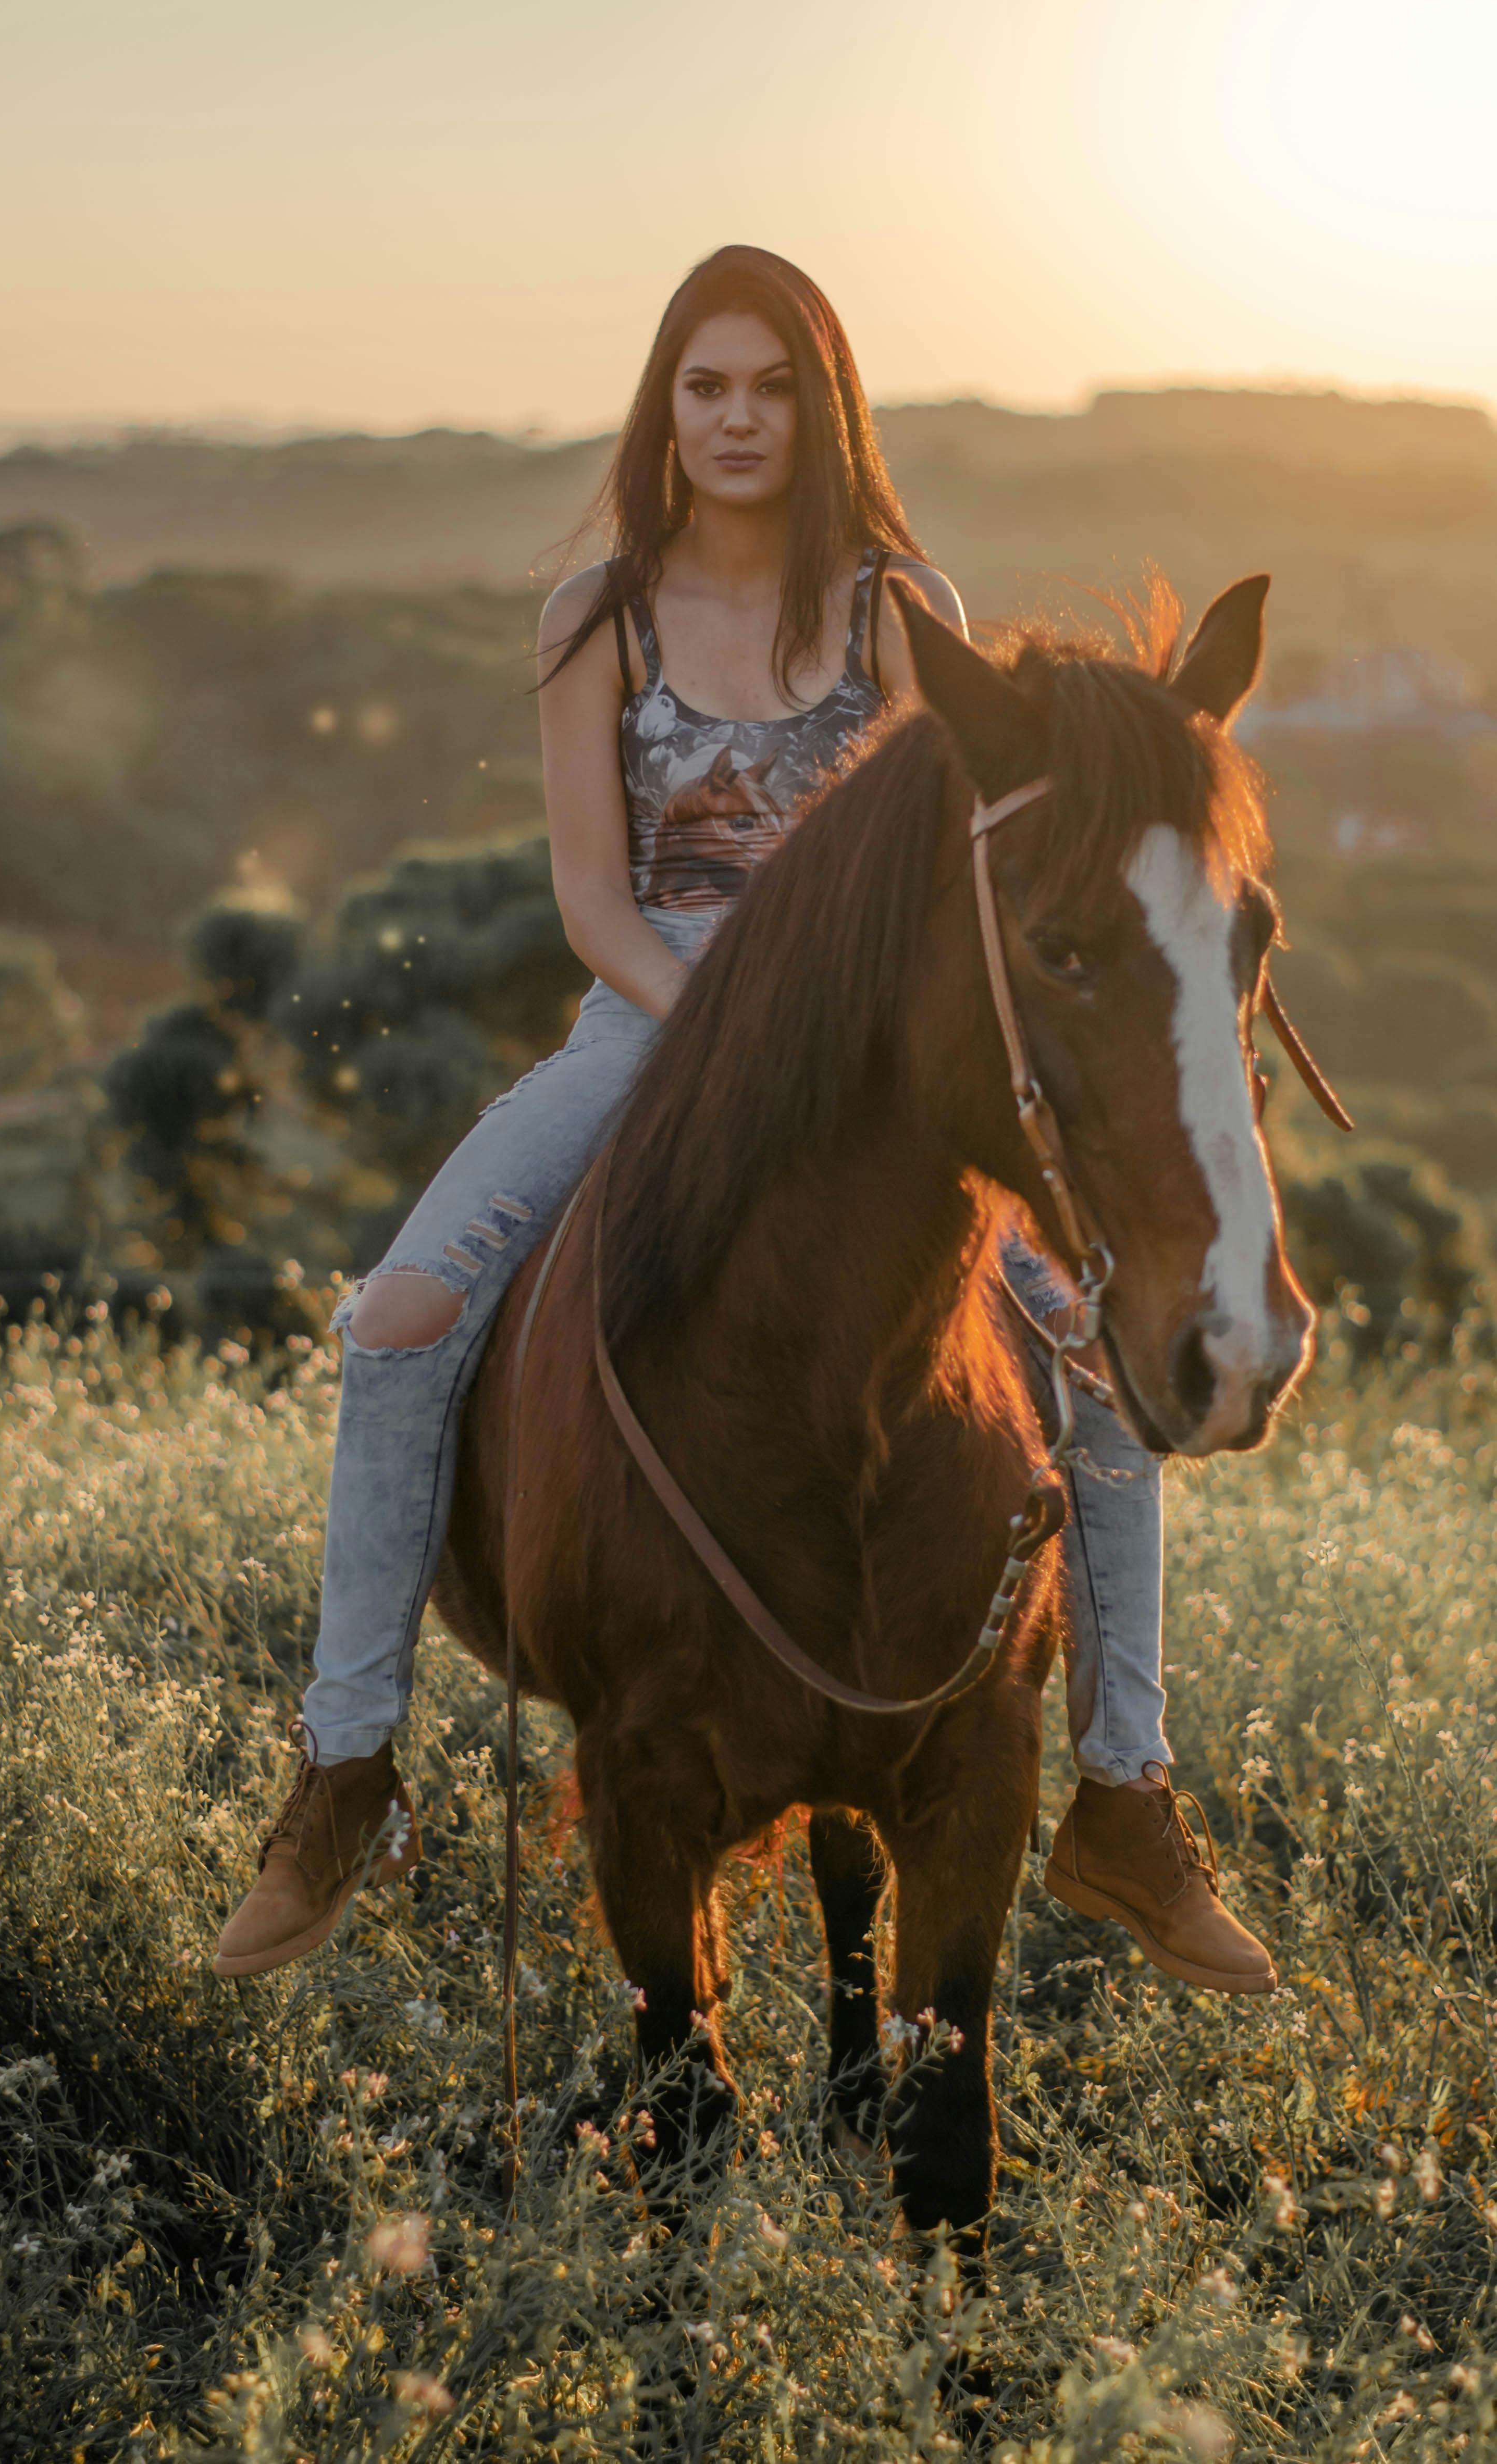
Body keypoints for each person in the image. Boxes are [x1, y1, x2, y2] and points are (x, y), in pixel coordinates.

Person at [213, 246, 1275, 1998]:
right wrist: (734, 1037)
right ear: (664, 408)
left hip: (872, 1055)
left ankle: (1125, 1795)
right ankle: (344, 1769)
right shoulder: (596, 617)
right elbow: (588, 901)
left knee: (1081, 1355)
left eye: (770, 387)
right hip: (649, 1018)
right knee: (400, 1317)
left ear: (820, 408)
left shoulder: (891, 605)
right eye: (704, 386)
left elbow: (965, 865)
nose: (734, 419)